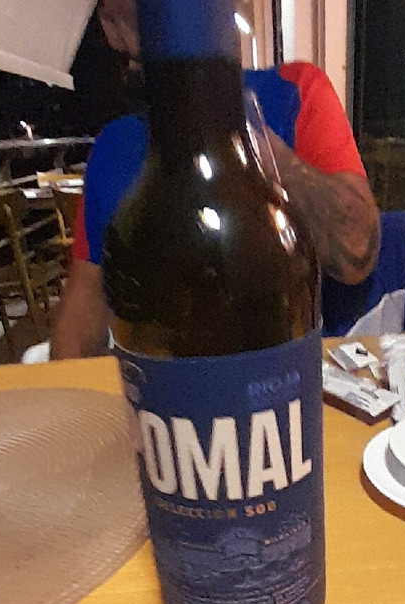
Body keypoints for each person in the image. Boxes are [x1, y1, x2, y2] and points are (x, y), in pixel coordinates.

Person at [52, 0, 380, 359]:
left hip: (293, 368)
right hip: (169, 378)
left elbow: (356, 254)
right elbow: (77, 332)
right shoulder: (112, 148)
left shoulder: (294, 92)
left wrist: (240, 137)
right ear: (111, 25)